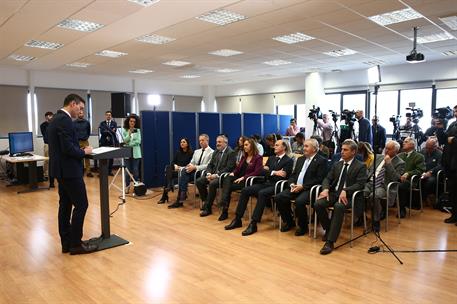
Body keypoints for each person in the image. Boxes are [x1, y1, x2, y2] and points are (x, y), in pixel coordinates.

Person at [47, 94, 97, 255]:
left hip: (61, 171)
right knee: (82, 205)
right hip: (69, 171)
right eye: (80, 108)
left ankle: (67, 243)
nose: (81, 111)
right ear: (72, 104)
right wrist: (84, 151)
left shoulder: (56, 118)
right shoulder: (64, 120)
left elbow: (64, 146)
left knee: (65, 205)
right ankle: (76, 244)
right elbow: (68, 148)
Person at [224, 139, 293, 235]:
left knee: (262, 193)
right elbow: (261, 171)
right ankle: (237, 219)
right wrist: (274, 172)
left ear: (284, 147)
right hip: (266, 182)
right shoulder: (271, 158)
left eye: (277, 145)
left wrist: (269, 171)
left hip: (277, 185)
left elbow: (284, 175)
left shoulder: (289, 160)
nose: (274, 147)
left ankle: (253, 223)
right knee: (245, 190)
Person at [315, 139, 367, 255]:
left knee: (339, 206)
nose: (342, 152)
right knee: (318, 204)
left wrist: (345, 190)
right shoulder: (337, 164)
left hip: (350, 196)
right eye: (342, 149)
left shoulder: (360, 166)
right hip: (334, 193)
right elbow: (327, 178)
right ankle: (329, 228)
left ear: (353, 152)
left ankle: (330, 241)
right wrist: (326, 189)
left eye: (345, 150)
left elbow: (360, 184)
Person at [275, 139, 328, 235]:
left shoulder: (321, 161)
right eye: (304, 146)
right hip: (295, 186)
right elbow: (293, 175)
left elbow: (319, 179)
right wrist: (291, 184)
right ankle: (289, 222)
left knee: (299, 201)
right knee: (279, 197)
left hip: (309, 189)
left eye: (307, 146)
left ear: (314, 149)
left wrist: (302, 186)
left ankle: (303, 226)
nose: (304, 148)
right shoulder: (300, 159)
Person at [218, 138, 263, 221]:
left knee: (228, 187)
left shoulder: (258, 157)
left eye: (246, 145)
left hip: (248, 181)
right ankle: (224, 205)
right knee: (227, 177)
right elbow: (237, 169)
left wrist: (244, 177)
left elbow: (257, 172)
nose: (244, 147)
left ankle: (224, 210)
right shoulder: (244, 157)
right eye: (244, 145)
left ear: (252, 146)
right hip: (239, 178)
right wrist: (233, 173)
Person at [364, 140, 405, 232]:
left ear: (396, 151)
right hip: (370, 182)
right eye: (386, 148)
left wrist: (389, 164)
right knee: (360, 193)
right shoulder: (378, 157)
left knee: (374, 196)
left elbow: (396, 178)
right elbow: (369, 170)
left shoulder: (400, 162)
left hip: (383, 185)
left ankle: (375, 221)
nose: (386, 151)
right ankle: (361, 217)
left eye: (389, 149)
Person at [168, 134, 213, 209]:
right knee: (184, 171)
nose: (201, 142)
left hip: (201, 173)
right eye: (199, 140)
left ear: (207, 141)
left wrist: (195, 167)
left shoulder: (212, 152)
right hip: (193, 172)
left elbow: (208, 165)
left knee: (183, 174)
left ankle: (180, 198)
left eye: (202, 140)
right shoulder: (196, 151)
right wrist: (190, 166)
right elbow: (192, 162)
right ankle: (182, 194)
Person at [198, 135, 236, 216]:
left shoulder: (231, 152)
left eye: (219, 142)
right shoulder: (216, 151)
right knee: (199, 181)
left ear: (225, 143)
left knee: (212, 184)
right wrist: (208, 173)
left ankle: (208, 208)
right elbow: (210, 165)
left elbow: (229, 168)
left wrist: (215, 175)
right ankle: (206, 201)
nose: (217, 144)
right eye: (216, 142)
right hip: (212, 175)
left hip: (223, 177)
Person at [397, 137, 426, 218]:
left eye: (406, 142)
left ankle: (402, 209)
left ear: (412, 145)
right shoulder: (399, 155)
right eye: (404, 141)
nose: (403, 143)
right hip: (397, 178)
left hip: (410, 181)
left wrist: (408, 173)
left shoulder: (419, 156)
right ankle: (384, 209)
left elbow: (420, 170)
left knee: (401, 186)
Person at [158, 138, 193, 204]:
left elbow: (190, 164)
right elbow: (172, 162)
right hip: (177, 171)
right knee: (168, 167)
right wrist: (176, 166)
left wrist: (181, 167)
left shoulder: (191, 153)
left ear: (187, 144)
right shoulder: (178, 153)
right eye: (181, 142)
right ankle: (169, 186)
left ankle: (165, 195)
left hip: (184, 172)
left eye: (184, 142)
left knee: (167, 176)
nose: (182, 143)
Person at [442, 105, 457, 224]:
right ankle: (454, 215)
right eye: (455, 110)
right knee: (452, 191)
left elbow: (451, 139)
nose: (455, 112)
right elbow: (444, 138)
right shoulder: (452, 124)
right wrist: (442, 125)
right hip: (449, 162)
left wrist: (454, 140)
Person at [121, 114, 142, 193]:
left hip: (136, 153)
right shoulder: (125, 130)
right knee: (127, 172)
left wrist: (129, 143)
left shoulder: (138, 130)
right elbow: (125, 140)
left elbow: (139, 141)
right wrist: (129, 134)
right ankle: (127, 186)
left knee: (136, 171)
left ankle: (136, 186)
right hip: (127, 153)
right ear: (128, 121)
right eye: (131, 121)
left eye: (134, 121)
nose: (132, 123)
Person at [420, 137, 442, 205]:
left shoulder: (440, 154)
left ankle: (423, 198)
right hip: (422, 171)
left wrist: (430, 172)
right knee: (416, 179)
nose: (428, 149)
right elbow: (418, 161)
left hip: (433, 174)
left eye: (430, 148)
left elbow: (440, 166)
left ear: (435, 147)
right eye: (426, 147)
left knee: (430, 181)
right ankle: (417, 198)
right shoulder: (423, 151)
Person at [74, 108, 92, 177]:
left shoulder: (87, 122)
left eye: (81, 113)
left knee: (87, 157)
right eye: (79, 113)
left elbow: (88, 131)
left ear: (83, 114)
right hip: (77, 142)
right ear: (77, 114)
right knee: (79, 157)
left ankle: (88, 172)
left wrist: (86, 137)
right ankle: (79, 171)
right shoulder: (74, 123)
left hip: (85, 141)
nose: (80, 114)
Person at [98, 110, 118, 176]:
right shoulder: (102, 123)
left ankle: (109, 171)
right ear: (105, 116)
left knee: (111, 158)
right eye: (107, 115)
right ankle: (103, 171)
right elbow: (102, 132)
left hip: (111, 142)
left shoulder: (114, 123)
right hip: (104, 142)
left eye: (109, 115)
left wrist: (107, 130)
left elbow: (114, 132)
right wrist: (110, 130)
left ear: (111, 116)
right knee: (103, 157)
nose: (108, 116)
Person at [40, 111, 55, 187]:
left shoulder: (55, 124)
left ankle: (53, 175)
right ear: (46, 117)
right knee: (46, 160)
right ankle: (45, 175)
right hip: (47, 144)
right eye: (48, 116)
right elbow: (46, 134)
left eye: (51, 116)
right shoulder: (43, 125)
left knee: (53, 161)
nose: (50, 117)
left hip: (55, 145)